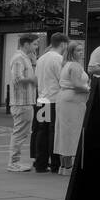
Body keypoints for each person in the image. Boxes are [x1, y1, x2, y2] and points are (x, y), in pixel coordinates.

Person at [32, 32, 67, 174]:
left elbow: (36, 79)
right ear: (63, 44)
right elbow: (63, 80)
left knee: (42, 131)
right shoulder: (58, 59)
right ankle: (55, 164)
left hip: (42, 99)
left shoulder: (41, 59)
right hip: (54, 100)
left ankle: (40, 163)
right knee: (54, 132)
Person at [55, 41, 90, 176]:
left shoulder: (66, 64)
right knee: (72, 132)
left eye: (82, 50)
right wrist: (89, 89)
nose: (81, 53)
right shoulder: (75, 65)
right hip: (73, 100)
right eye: (78, 51)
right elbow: (77, 84)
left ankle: (63, 166)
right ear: (72, 52)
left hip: (64, 98)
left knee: (63, 132)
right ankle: (69, 167)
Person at [6, 34, 38, 172]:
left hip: (26, 101)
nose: (36, 47)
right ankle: (13, 163)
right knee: (19, 133)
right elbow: (17, 78)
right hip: (21, 102)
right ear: (26, 44)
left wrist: (34, 62)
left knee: (22, 133)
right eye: (35, 44)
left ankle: (15, 161)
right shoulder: (19, 58)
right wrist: (32, 80)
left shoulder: (25, 58)